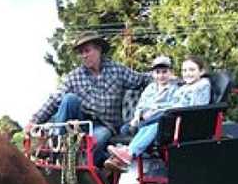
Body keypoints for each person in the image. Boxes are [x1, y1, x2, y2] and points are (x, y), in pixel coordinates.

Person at [26, 31, 149, 166]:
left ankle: (87, 171)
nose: (84, 55)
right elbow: (55, 98)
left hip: (105, 125)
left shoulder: (117, 70)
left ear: (98, 50)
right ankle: (55, 148)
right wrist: (34, 120)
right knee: (69, 99)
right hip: (80, 123)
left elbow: (141, 79)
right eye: (81, 53)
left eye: (87, 51)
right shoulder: (75, 76)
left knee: (96, 139)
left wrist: (166, 78)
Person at [105, 54, 212, 176]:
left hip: (186, 123)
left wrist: (159, 112)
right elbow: (143, 105)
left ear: (201, 71)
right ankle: (126, 153)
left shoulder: (200, 87)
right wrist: (140, 116)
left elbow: (194, 108)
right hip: (172, 118)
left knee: (155, 124)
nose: (188, 73)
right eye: (185, 70)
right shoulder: (185, 87)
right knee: (148, 125)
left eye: (192, 70)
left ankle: (128, 153)